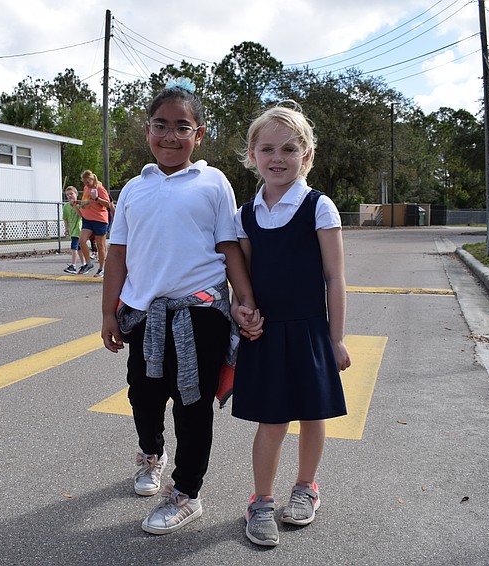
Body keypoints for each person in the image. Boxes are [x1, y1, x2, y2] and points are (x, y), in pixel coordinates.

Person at [101, 77, 262, 536]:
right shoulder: (133, 188)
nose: (170, 136)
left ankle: (187, 493)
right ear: (146, 130)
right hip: (145, 316)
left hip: (200, 316)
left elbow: (229, 247)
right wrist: (109, 312)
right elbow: (118, 254)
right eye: (160, 125)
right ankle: (150, 456)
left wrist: (245, 302)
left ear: (199, 133)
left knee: (193, 407)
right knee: (142, 397)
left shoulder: (213, 183)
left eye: (182, 127)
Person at [231, 103, 352, 547]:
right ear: (252, 154)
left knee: (312, 412)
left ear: (307, 154)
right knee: (272, 420)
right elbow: (240, 279)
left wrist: (336, 338)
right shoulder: (246, 215)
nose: (277, 157)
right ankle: (260, 501)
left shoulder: (318, 206)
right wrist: (238, 310)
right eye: (267, 149)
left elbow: (335, 277)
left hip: (309, 330)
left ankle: (306, 488)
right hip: (265, 333)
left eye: (288, 148)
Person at [77, 170, 110, 277]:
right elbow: (87, 201)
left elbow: (108, 204)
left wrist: (97, 198)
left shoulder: (99, 188)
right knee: (82, 241)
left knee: (100, 245)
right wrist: (78, 203)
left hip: (99, 219)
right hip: (87, 219)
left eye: (87, 182)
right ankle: (89, 263)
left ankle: (102, 268)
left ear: (92, 179)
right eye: (84, 183)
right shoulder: (86, 188)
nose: (86, 185)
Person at [61, 186, 83, 274]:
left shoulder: (80, 204)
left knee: (73, 247)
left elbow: (81, 215)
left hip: (79, 229)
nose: (70, 196)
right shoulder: (66, 206)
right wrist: (66, 229)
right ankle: (84, 263)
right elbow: (65, 218)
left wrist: (74, 206)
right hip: (72, 229)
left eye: (71, 194)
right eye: (67, 195)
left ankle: (73, 265)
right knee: (79, 248)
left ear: (76, 194)